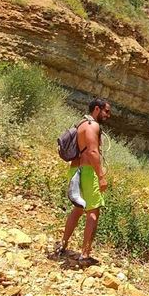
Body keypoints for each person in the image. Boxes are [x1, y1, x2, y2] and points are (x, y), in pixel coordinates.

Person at [55, 98, 111, 263]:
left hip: (75, 170)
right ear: (96, 109)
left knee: (78, 209)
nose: (108, 115)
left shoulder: (80, 124)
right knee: (93, 211)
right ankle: (85, 255)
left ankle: (62, 245)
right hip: (87, 172)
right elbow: (93, 151)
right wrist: (101, 176)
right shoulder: (93, 126)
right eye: (106, 111)